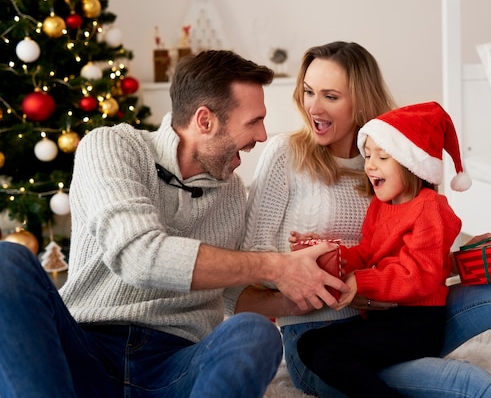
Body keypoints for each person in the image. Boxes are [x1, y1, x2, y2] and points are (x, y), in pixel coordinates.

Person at [233, 41, 491, 397]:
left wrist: (455, 258)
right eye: (308, 91)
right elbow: (254, 262)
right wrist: (317, 277)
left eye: (330, 96)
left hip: (400, 320)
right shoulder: (286, 154)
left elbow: (414, 258)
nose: (313, 107)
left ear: (360, 102)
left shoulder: (396, 160)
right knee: (464, 381)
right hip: (320, 339)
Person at [0, 50, 348, 398]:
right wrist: (278, 265)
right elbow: (138, 255)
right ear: (205, 120)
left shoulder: (231, 194)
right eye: (253, 121)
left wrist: (306, 292)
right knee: (7, 262)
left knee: (256, 333)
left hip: (176, 364)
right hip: (86, 349)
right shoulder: (113, 146)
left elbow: (232, 295)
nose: (262, 135)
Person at [297, 102, 467, 397]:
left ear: (410, 164)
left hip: (418, 323)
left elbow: (419, 277)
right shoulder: (380, 206)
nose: (370, 164)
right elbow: (365, 253)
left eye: (383, 156)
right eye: (369, 155)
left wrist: (362, 281)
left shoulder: (430, 208)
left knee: (330, 356)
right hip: (385, 316)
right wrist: (329, 253)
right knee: (307, 344)